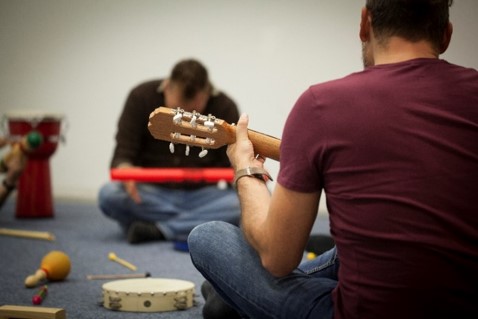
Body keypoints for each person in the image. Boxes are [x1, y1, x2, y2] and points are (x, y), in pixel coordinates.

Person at [188, 1, 478, 318]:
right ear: (447, 35)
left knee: (208, 236)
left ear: (364, 24)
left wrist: (247, 170)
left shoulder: (321, 104)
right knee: (360, 245)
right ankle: (231, 303)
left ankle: (232, 301)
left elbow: (278, 258)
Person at [98, 59, 241, 244]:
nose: (185, 122)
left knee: (245, 204)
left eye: (194, 114)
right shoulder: (140, 97)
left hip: (202, 194)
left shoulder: (225, 107)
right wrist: (127, 172)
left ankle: (160, 229)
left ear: (208, 94)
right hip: (152, 192)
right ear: (166, 87)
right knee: (109, 194)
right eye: (176, 112)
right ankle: (191, 223)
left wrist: (243, 179)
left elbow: (234, 164)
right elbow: (123, 153)